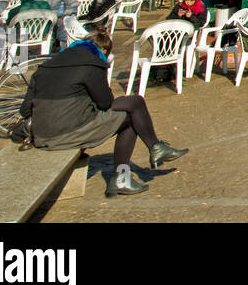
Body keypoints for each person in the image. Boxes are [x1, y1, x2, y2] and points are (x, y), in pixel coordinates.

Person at [19, 28, 187, 197]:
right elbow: (105, 103)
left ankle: (154, 149)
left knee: (135, 104)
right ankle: (127, 172)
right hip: (66, 133)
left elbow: (25, 110)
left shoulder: (47, 65)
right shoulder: (92, 65)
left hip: (41, 134)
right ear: (103, 51)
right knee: (131, 115)